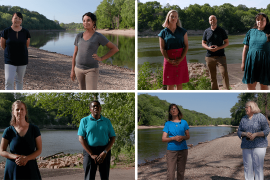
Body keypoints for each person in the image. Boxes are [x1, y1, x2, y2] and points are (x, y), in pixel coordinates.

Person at [70, 12, 119, 90]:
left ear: (93, 22)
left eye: (88, 20)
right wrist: (72, 70)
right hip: (78, 69)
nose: (85, 23)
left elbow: (114, 49)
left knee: (91, 91)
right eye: (84, 21)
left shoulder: (98, 36)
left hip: (91, 70)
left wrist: (101, 58)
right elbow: (75, 53)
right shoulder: (78, 36)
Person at [0, 100, 42, 180]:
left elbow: (39, 150)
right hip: (13, 169)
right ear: (13, 112)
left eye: (22, 109)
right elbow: (2, 151)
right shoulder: (8, 131)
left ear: (26, 111)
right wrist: (16, 157)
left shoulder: (34, 129)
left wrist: (26, 158)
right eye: (17, 109)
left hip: (30, 168)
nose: (20, 111)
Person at [78, 100, 116, 180]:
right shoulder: (84, 121)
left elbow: (112, 138)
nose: (96, 107)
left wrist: (105, 152)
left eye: (97, 106)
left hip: (104, 151)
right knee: (89, 177)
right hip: (89, 150)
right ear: (90, 109)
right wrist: (91, 154)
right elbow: (81, 138)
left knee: (105, 177)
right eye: (93, 106)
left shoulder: (106, 121)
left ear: (100, 108)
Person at [237, 101, 269, 180]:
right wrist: (245, 134)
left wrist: (256, 134)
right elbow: (239, 131)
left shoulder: (260, 116)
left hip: (259, 145)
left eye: (246, 107)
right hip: (246, 146)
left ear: (252, 107)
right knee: (247, 167)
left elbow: (267, 130)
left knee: (258, 167)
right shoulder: (244, 118)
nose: (245, 109)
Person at [158, 10, 189, 90]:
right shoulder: (163, 32)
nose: (173, 18)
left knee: (179, 83)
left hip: (180, 58)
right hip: (168, 59)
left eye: (175, 16)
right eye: (172, 16)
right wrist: (168, 59)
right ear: (168, 17)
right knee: (170, 83)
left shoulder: (182, 31)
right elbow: (162, 48)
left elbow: (186, 46)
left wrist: (181, 59)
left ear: (177, 19)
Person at [0, 12, 31, 90]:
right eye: (16, 18)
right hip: (9, 60)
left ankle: (18, 95)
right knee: (8, 80)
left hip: (22, 60)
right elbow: (2, 45)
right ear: (12, 19)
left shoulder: (26, 32)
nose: (17, 20)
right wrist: (10, 52)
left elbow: (26, 45)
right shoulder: (6, 31)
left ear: (22, 21)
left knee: (20, 81)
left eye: (20, 19)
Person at [241, 13, 270, 90]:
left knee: (264, 86)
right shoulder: (250, 32)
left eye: (262, 19)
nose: (260, 21)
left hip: (265, 63)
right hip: (251, 62)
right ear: (256, 21)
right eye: (258, 20)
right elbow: (245, 49)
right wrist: (243, 63)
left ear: (266, 21)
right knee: (250, 86)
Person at [162, 104, 190, 180]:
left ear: (178, 110)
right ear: (170, 112)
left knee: (181, 172)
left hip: (183, 150)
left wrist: (182, 137)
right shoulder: (167, 124)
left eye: (175, 108)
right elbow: (163, 139)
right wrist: (173, 138)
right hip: (171, 151)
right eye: (171, 109)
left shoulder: (184, 122)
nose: (173, 110)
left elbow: (188, 136)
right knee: (170, 173)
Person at [202, 15, 230, 90]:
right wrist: (208, 48)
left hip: (220, 56)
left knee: (224, 74)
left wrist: (219, 48)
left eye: (213, 19)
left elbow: (227, 43)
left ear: (216, 20)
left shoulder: (221, 30)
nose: (212, 21)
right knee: (212, 77)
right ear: (209, 21)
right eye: (211, 20)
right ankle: (215, 91)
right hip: (209, 57)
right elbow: (203, 43)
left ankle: (226, 90)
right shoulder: (206, 31)